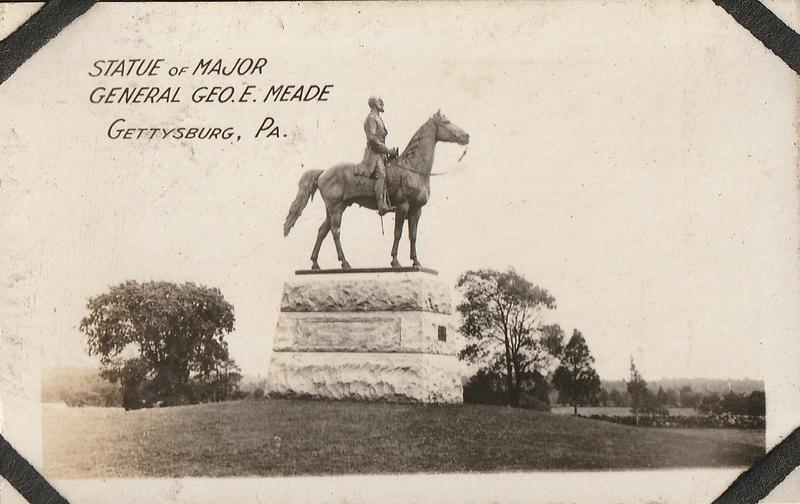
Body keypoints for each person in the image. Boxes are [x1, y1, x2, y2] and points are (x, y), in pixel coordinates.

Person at [362, 96, 399, 215]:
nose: (382, 103)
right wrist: (387, 150)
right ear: (373, 104)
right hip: (374, 155)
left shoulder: (378, 118)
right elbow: (372, 140)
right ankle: (381, 205)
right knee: (381, 174)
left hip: (380, 153)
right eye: (379, 102)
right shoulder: (371, 118)